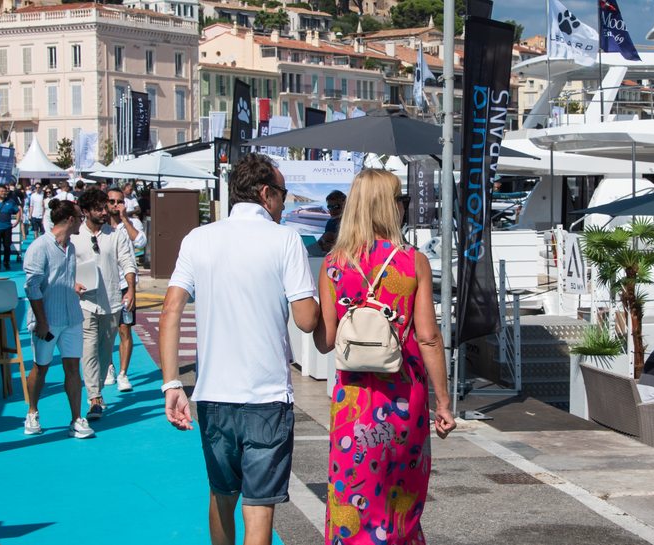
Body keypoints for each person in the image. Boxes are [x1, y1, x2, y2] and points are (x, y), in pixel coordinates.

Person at [160, 153, 319, 545]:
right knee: (259, 508)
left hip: (213, 394)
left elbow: (170, 309)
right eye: (282, 194)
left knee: (221, 495)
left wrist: (171, 384)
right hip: (266, 396)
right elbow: (306, 320)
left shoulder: (198, 238)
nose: (284, 203)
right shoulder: (285, 241)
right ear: (266, 194)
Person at [314, 168, 455, 544]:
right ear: (386, 207)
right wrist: (443, 402)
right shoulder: (413, 261)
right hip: (405, 400)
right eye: (400, 200)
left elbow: (325, 341)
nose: (403, 206)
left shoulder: (333, 264)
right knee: (401, 500)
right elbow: (428, 338)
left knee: (353, 498)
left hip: (353, 404)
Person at [22, 200, 95, 438]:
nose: (82, 222)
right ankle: (32, 411)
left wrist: (72, 285)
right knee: (40, 367)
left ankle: (76, 418)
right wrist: (42, 322)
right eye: (80, 218)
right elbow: (32, 287)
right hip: (48, 319)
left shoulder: (70, 248)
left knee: (73, 368)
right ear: (70, 220)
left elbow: (59, 276)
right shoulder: (39, 246)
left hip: (72, 316)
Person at [72, 189, 137, 420]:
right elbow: (65, 267)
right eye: (98, 208)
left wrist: (130, 288)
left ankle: (96, 388)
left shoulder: (115, 234)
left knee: (105, 349)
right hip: (85, 302)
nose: (103, 211)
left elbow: (128, 262)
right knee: (88, 348)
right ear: (86, 211)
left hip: (112, 301)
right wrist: (72, 283)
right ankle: (94, 397)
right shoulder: (75, 235)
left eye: (104, 207)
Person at [103, 187, 146, 392]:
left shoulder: (131, 224)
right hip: (104, 285)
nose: (115, 205)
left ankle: (123, 373)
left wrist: (124, 219)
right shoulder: (100, 226)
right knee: (105, 332)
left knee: (125, 329)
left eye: (119, 201)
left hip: (125, 285)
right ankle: (109, 366)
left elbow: (140, 242)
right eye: (111, 201)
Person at [0, 184, 22, 271]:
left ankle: (6, 263)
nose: (3, 193)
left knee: (7, 246)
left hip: (7, 228)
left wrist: (17, 221)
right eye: (1, 191)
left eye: (5, 191)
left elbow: (18, 211)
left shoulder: (11, 202)